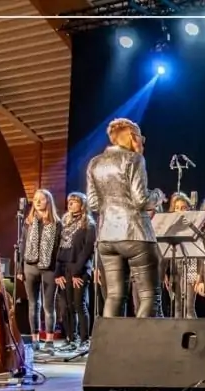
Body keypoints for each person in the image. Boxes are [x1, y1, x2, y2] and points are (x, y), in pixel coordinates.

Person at [86, 117, 160, 318]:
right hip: (135, 234)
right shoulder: (134, 159)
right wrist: (158, 196)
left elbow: (93, 203)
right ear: (134, 137)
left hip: (107, 238)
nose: (142, 143)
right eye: (141, 138)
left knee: (114, 295)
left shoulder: (95, 163)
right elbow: (141, 200)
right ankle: (143, 346)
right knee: (148, 296)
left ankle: (111, 347)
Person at [17, 188, 62, 353]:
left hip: (49, 267)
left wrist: (59, 271)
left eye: (41, 199)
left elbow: (59, 249)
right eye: (35, 199)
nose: (37, 202)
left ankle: (49, 340)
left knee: (48, 306)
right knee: (33, 304)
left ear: (48, 202)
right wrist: (20, 268)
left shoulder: (57, 224)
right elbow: (22, 246)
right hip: (30, 266)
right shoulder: (28, 222)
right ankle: (34, 339)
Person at [54, 192, 96, 351]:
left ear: (82, 204)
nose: (70, 204)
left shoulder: (89, 224)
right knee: (66, 306)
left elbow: (87, 250)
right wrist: (58, 273)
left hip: (79, 268)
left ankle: (84, 339)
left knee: (79, 304)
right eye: (69, 201)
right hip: (64, 268)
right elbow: (59, 248)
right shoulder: (64, 222)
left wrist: (77, 272)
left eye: (74, 201)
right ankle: (71, 337)